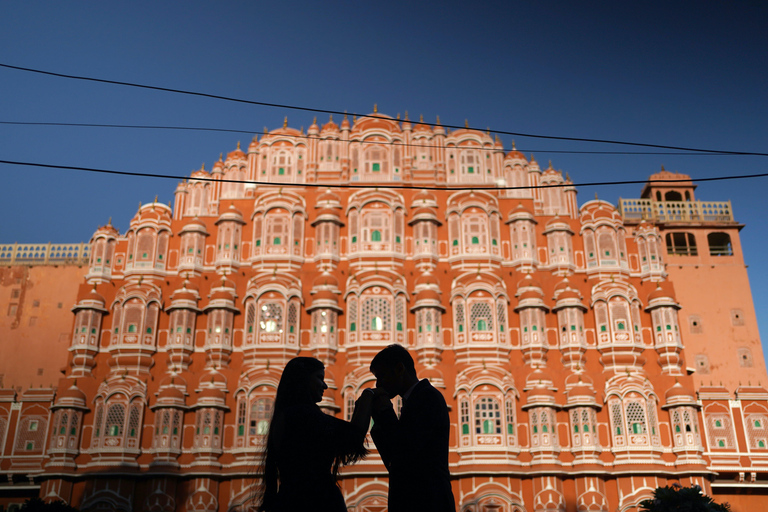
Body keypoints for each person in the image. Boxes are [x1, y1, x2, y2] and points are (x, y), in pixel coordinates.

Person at [258, 357, 374, 512]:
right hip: (315, 501)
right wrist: (367, 397)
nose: (325, 385)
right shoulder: (303, 415)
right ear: (303, 379)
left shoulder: (288, 415)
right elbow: (353, 437)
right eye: (320, 378)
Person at [369, 344, 456, 512]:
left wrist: (385, 412)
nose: (379, 384)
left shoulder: (427, 398)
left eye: (381, 376)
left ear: (400, 369)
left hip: (427, 501)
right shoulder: (414, 400)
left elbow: (405, 451)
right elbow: (396, 461)